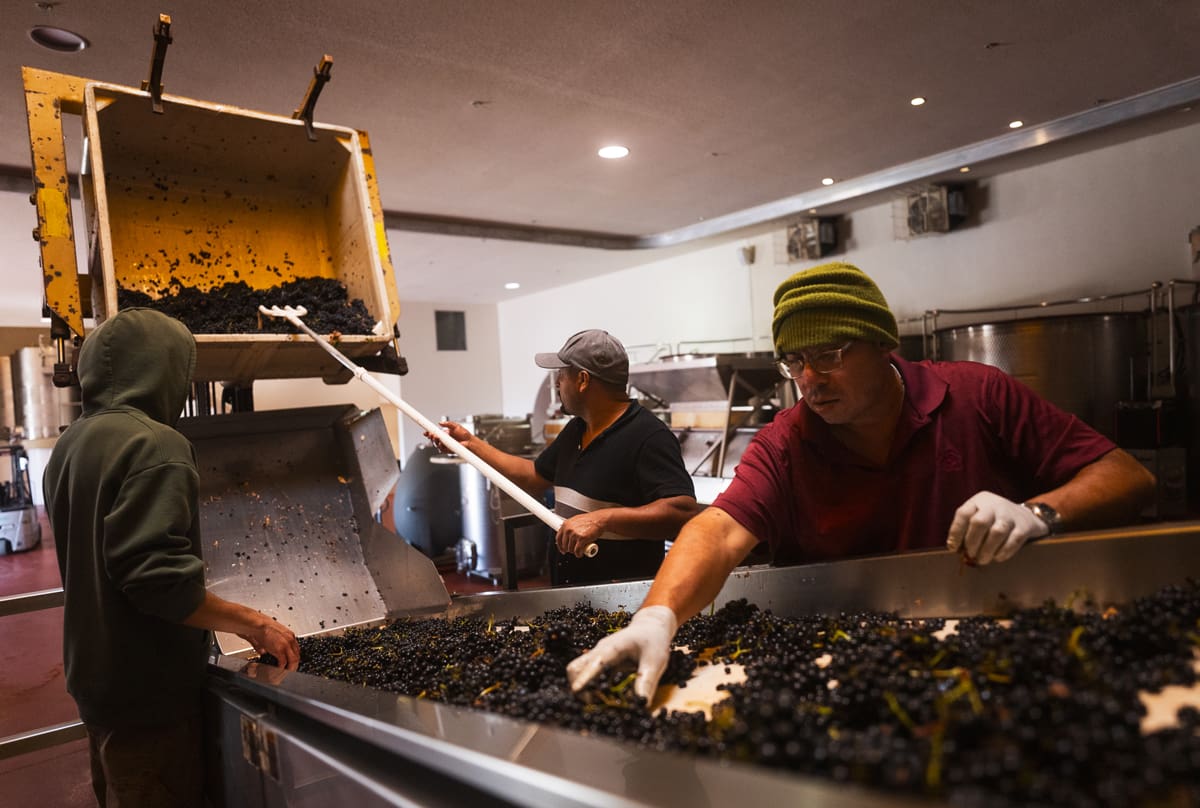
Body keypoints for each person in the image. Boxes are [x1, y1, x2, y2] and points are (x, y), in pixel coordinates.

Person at [566, 261, 1156, 699]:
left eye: (829, 354)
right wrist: (658, 616)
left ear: (881, 345)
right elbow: (717, 531)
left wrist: (1038, 513)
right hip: (841, 669)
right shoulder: (786, 442)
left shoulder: (978, 397)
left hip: (993, 644)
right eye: (794, 362)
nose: (810, 379)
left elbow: (1126, 476)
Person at [43, 308, 300, 808]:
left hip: (97, 680)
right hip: (149, 689)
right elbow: (156, 579)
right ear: (167, 370)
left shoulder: (69, 446)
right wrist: (256, 624)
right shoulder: (157, 445)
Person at [432, 329, 701, 584]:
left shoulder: (648, 436)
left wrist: (602, 520)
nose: (558, 383)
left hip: (620, 598)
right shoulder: (577, 429)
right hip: (571, 590)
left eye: (561, 375)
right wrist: (470, 444)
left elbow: (682, 511)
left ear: (582, 380)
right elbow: (534, 477)